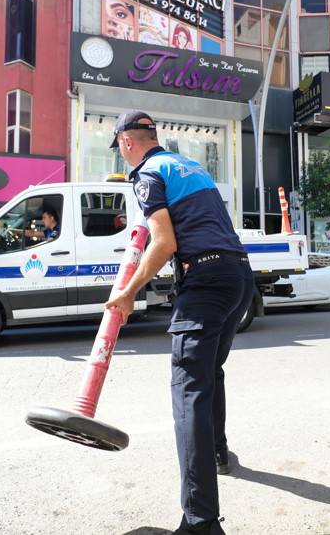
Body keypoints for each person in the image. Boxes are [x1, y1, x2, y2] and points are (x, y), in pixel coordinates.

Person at [105, 110, 254, 535]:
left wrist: (129, 292)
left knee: (189, 392)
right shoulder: (190, 166)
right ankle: (220, 453)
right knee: (210, 372)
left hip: (205, 281)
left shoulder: (147, 174)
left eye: (118, 146)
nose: (120, 153)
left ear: (126, 142)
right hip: (238, 276)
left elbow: (164, 241)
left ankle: (200, 523)